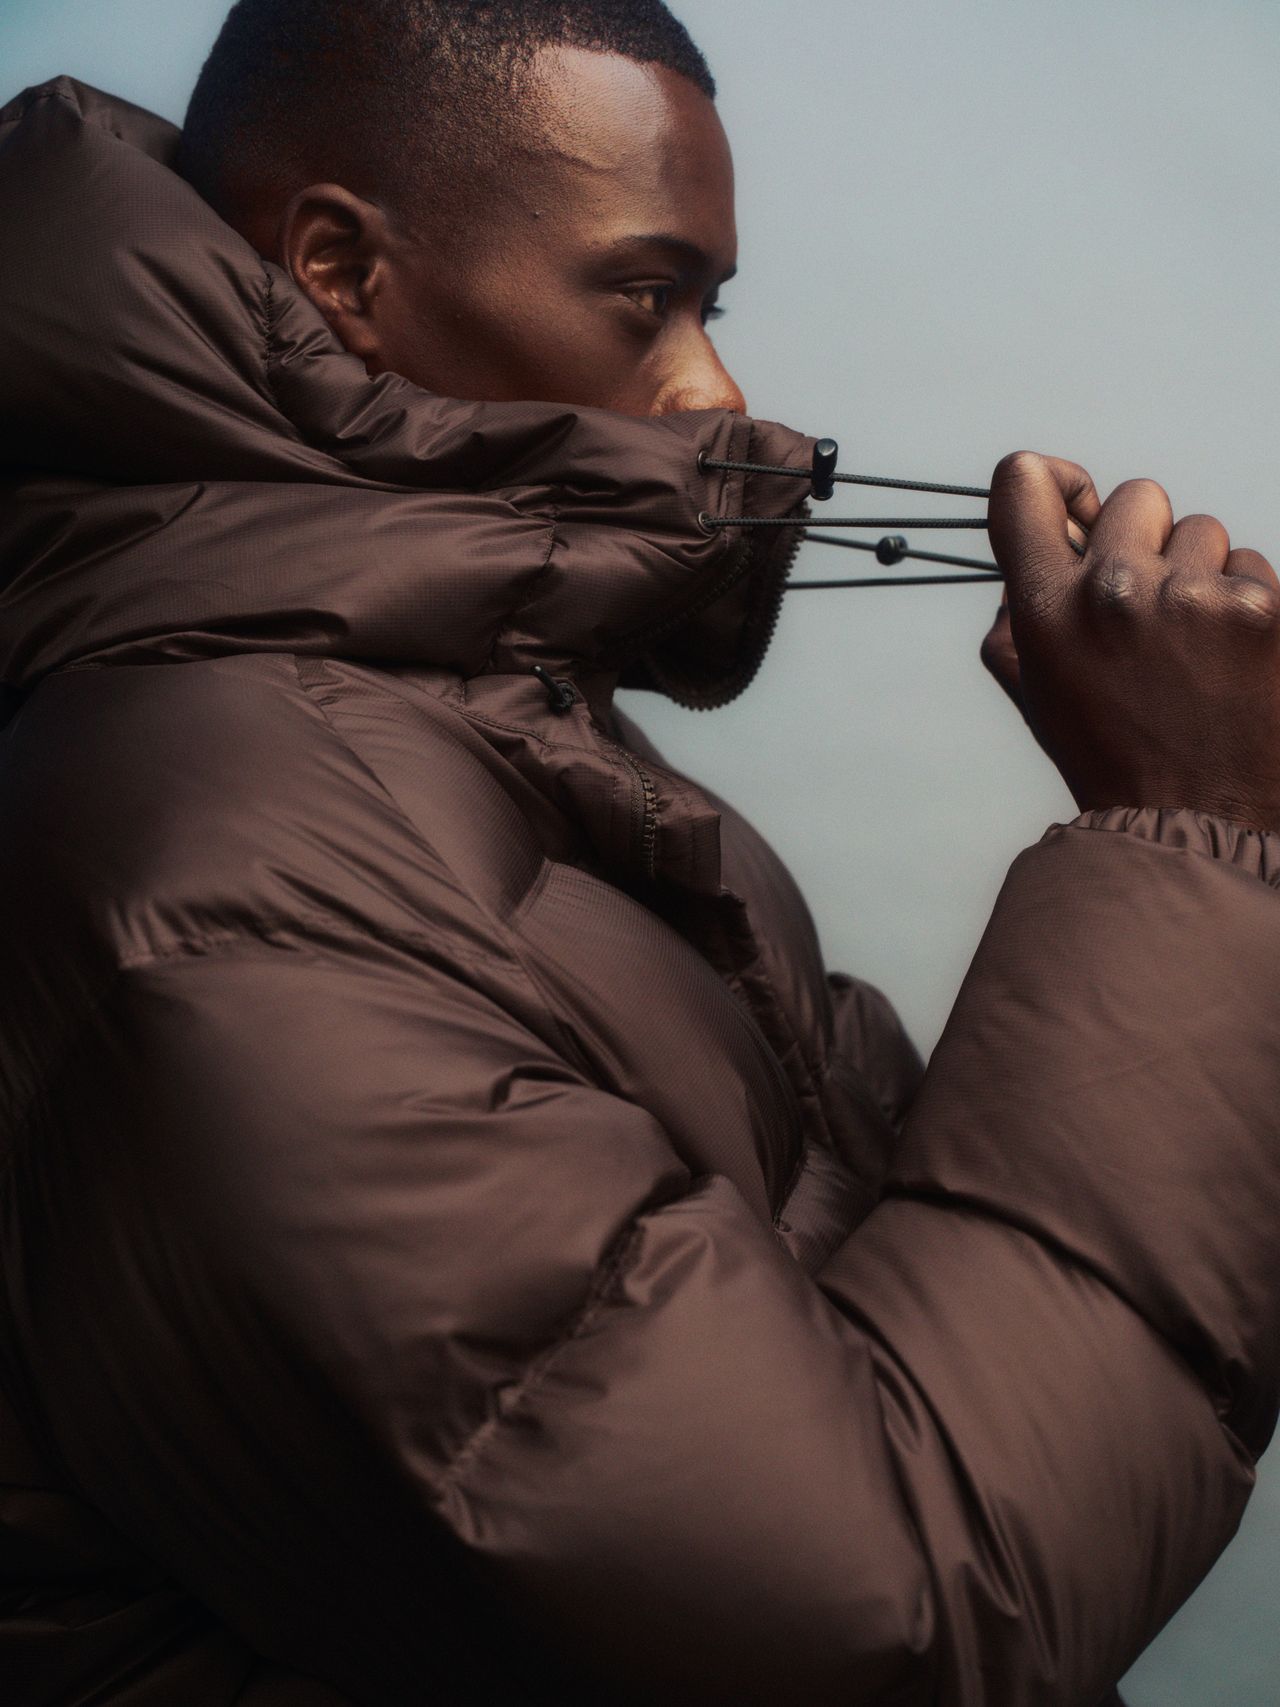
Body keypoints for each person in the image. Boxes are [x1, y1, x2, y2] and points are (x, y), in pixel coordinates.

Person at [1, 3, 1279, 1704]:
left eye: (712, 307)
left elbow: (887, 1250)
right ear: (336, 269)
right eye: (643, 294)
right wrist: (1174, 847)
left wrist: (1205, 850)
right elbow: (864, 1619)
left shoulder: (499, 748)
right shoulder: (221, 866)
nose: (714, 389)